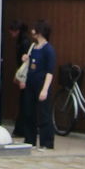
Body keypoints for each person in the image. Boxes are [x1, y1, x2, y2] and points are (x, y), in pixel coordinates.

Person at [23, 22, 56, 150]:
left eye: (35, 30)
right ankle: (29, 140)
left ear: (40, 32)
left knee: (44, 113)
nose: (32, 32)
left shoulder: (48, 49)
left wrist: (45, 89)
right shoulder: (33, 47)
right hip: (30, 83)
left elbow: (50, 72)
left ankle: (46, 142)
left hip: (42, 84)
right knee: (29, 112)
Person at [9, 22, 34, 140]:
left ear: (17, 31)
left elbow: (24, 63)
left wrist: (21, 77)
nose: (11, 34)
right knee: (24, 103)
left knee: (25, 103)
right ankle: (21, 129)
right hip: (24, 74)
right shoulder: (24, 41)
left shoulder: (24, 43)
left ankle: (21, 129)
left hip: (25, 75)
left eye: (12, 31)